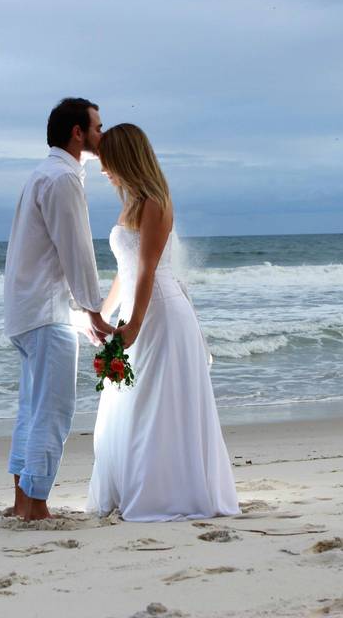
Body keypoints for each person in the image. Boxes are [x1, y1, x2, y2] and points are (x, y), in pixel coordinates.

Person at [86, 123, 240, 521]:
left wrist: (134, 325)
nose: (104, 170)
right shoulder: (131, 204)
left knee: (155, 404)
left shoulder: (155, 201)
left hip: (161, 314)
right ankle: (134, 487)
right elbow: (127, 270)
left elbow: (149, 269)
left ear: (127, 158)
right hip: (135, 308)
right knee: (129, 403)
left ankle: (164, 494)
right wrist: (103, 314)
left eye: (108, 162)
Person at [3, 97, 115, 520]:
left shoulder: (41, 174)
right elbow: (76, 250)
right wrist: (93, 309)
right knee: (54, 410)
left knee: (32, 409)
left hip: (26, 309)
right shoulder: (63, 179)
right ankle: (36, 506)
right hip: (46, 311)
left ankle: (22, 502)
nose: (101, 135)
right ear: (77, 132)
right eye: (97, 127)